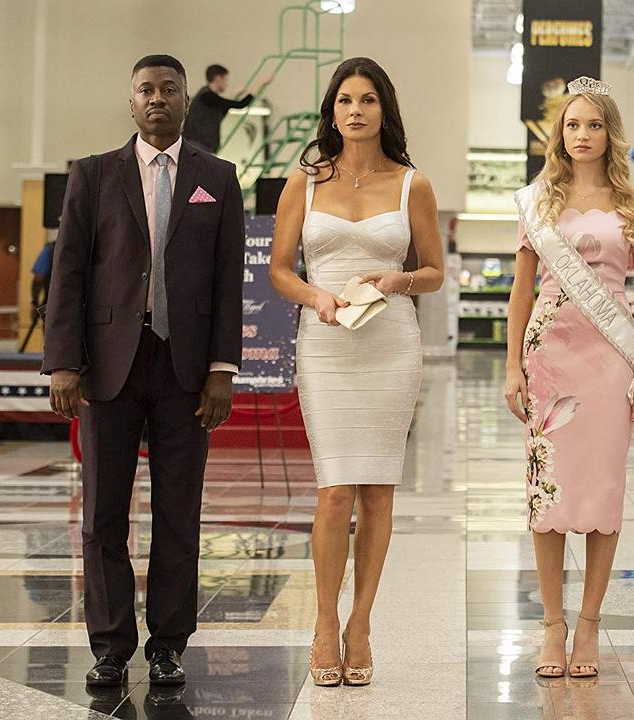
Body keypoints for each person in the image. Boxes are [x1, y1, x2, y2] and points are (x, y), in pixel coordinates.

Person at [41, 54, 245, 688]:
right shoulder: (93, 174)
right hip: (108, 367)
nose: (157, 99)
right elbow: (68, 274)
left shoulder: (218, 177)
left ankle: (168, 645)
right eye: (146, 90)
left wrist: (222, 369)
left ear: (186, 101)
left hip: (186, 369)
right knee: (103, 513)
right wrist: (63, 363)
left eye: (169, 90)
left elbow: (228, 280)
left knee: (178, 514)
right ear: (130, 102)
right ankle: (109, 646)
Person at [269, 56, 444, 687]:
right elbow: (280, 270)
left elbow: (434, 272)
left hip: (390, 343)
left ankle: (361, 623)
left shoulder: (412, 185)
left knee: (378, 492)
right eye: (345, 100)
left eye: (367, 99)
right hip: (326, 345)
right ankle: (323, 622)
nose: (355, 110)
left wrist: (399, 280)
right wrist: (314, 295)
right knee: (335, 489)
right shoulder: (305, 182)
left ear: (383, 109)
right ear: (332, 111)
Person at [504, 77, 634, 679]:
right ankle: (553, 624)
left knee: (602, 490)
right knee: (547, 492)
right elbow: (521, 291)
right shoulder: (537, 202)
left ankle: (589, 623)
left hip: (610, 359)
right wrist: (513, 365)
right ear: (559, 133)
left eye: (594, 124)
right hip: (549, 358)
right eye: (573, 125)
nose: (583, 135)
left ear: (609, 133)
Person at [182, 64, 264, 153]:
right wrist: (257, 88)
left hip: (202, 145)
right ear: (218, 79)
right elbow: (240, 105)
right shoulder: (207, 97)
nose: (227, 83)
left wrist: (235, 95)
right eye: (225, 79)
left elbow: (224, 106)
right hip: (198, 145)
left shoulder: (208, 98)